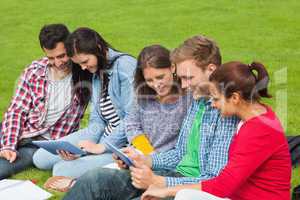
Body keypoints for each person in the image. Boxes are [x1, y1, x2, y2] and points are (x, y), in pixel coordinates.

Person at [63, 35, 239, 200]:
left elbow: (213, 178)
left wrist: (159, 182)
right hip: (170, 171)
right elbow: (179, 153)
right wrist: (144, 159)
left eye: (188, 78)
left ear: (211, 70)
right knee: (95, 179)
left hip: (189, 187)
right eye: (182, 78)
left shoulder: (224, 111)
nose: (184, 85)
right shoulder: (197, 101)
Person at [43, 44, 192, 192]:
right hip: (140, 153)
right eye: (150, 80)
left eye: (160, 77)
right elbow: (132, 125)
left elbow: (183, 146)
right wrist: (143, 151)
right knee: (76, 170)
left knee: (99, 178)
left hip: (165, 161)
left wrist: (151, 158)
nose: (156, 85)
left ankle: (77, 183)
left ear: (172, 68)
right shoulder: (143, 93)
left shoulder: (188, 98)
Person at [141, 61, 292, 200]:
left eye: (216, 98)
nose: (212, 105)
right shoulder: (255, 116)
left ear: (234, 98)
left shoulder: (259, 130)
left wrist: (166, 189)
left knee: (184, 196)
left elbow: (221, 186)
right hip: (236, 195)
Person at [33, 27, 137, 178]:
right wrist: (83, 149)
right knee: (40, 158)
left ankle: (106, 161)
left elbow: (132, 119)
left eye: (85, 61)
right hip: (102, 134)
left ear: (99, 48)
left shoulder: (125, 66)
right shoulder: (96, 72)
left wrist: (102, 147)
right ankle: (87, 157)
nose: (83, 68)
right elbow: (97, 118)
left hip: (125, 143)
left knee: (61, 170)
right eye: (79, 64)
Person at [0, 24, 88, 180]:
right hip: (22, 129)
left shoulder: (85, 73)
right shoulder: (35, 70)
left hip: (42, 145)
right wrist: (8, 144)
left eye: (62, 56)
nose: (57, 62)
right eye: (51, 58)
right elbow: (16, 111)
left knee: (3, 167)